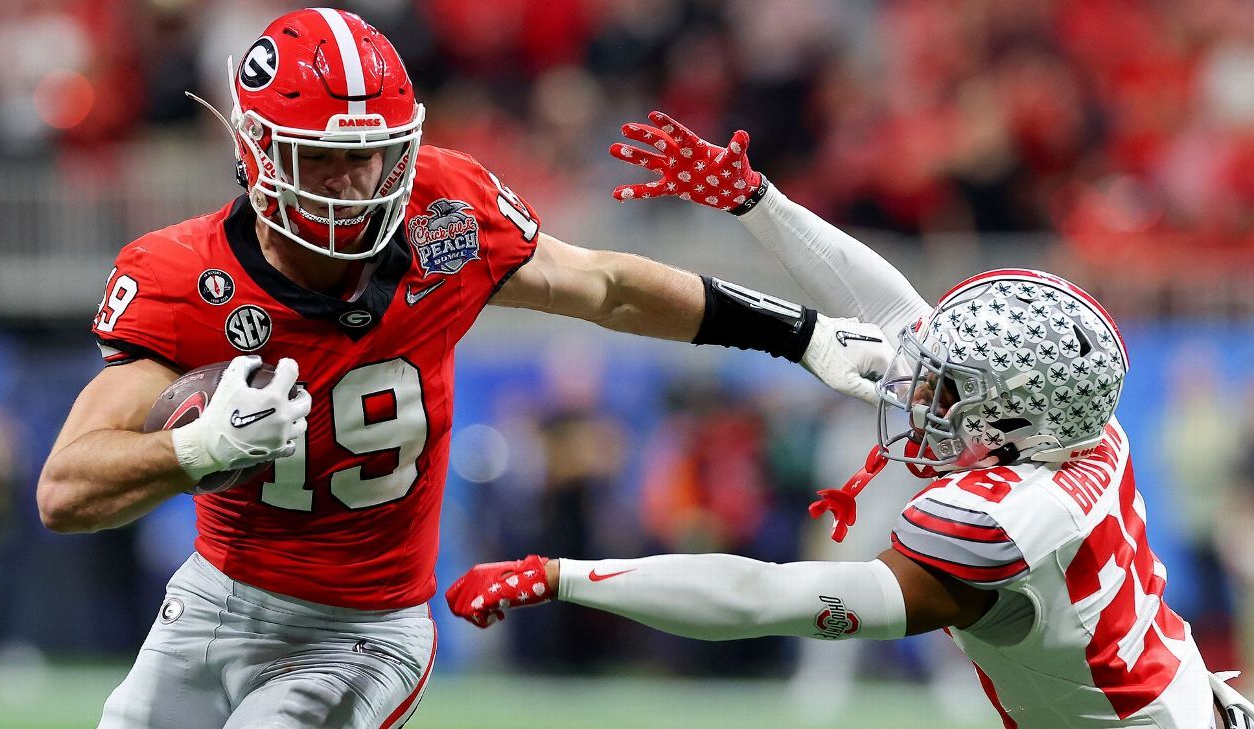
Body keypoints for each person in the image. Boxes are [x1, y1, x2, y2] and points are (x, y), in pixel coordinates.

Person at [34, 11, 895, 729]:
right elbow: (65, 491)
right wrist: (200, 449)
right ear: (259, 151)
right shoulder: (185, 278)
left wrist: (800, 332)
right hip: (215, 601)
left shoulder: (444, 216)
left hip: (364, 629)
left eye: (368, 154)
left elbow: (607, 286)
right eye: (321, 157)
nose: (353, 180)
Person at [446, 112, 1254, 729]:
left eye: (952, 390)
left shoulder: (1001, 517)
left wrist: (566, 575)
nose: (924, 397)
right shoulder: (1078, 426)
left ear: (1013, 422)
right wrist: (755, 202)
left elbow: (763, 595)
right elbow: (894, 306)